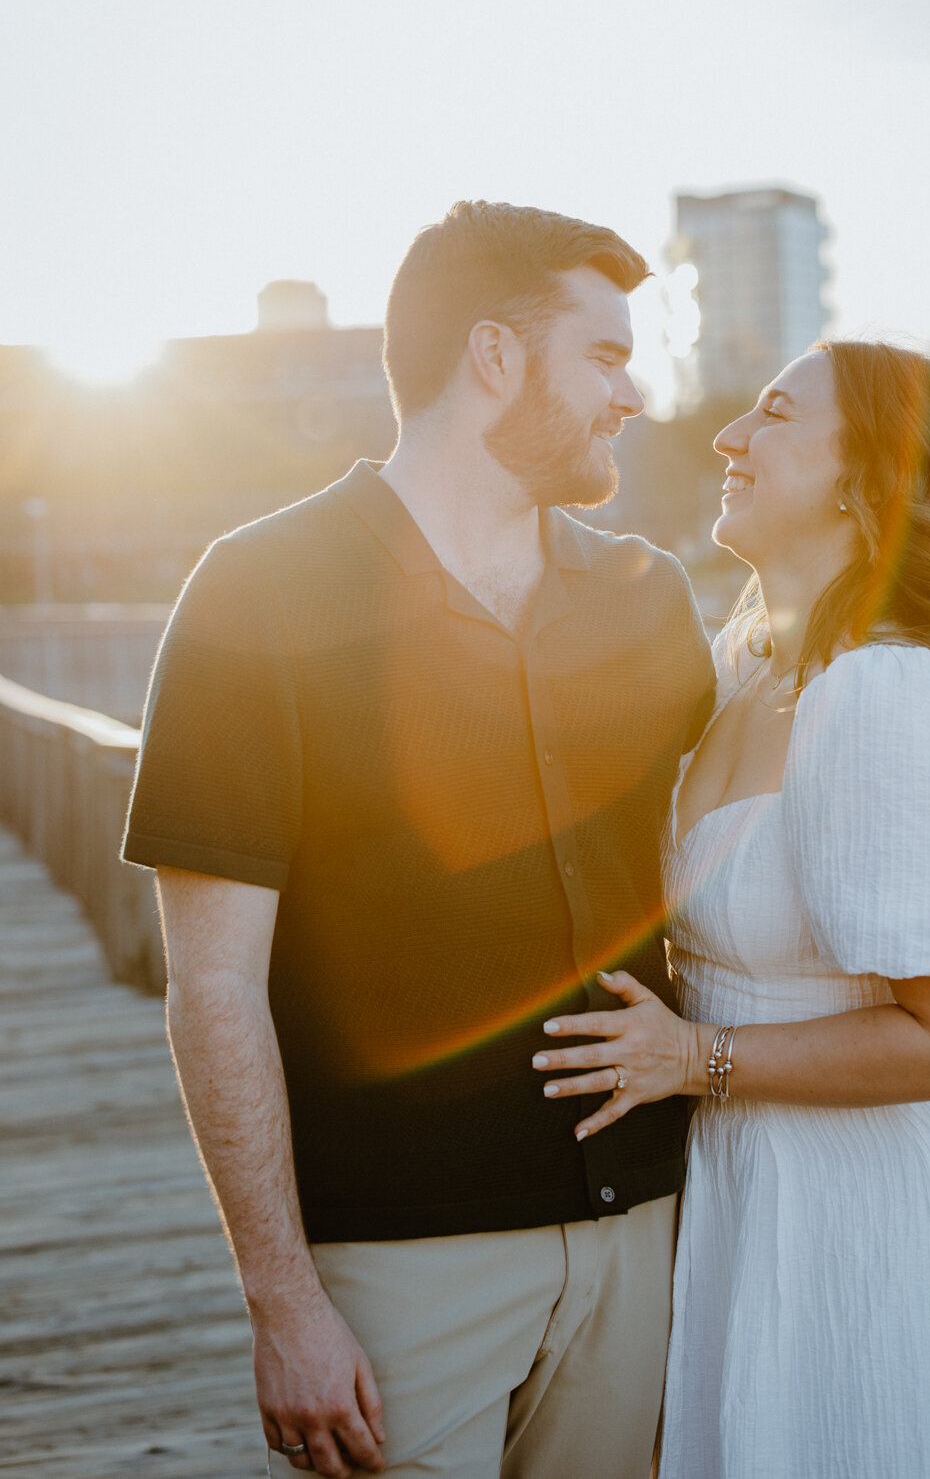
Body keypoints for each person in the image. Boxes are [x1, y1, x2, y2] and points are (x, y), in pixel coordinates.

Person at [121, 201, 716, 1479]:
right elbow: (212, 984)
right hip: (396, 1268)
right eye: (604, 356)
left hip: (644, 1233)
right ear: (493, 358)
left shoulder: (646, 596)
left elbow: (730, 851)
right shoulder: (254, 592)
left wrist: (912, 1027)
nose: (632, 393)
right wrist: (281, 1299)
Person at [534, 340, 930, 1478]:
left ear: (864, 481)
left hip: (873, 1216)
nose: (724, 437)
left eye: (770, 412)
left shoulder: (884, 689)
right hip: (755, 1193)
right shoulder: (746, 668)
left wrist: (690, 1055)